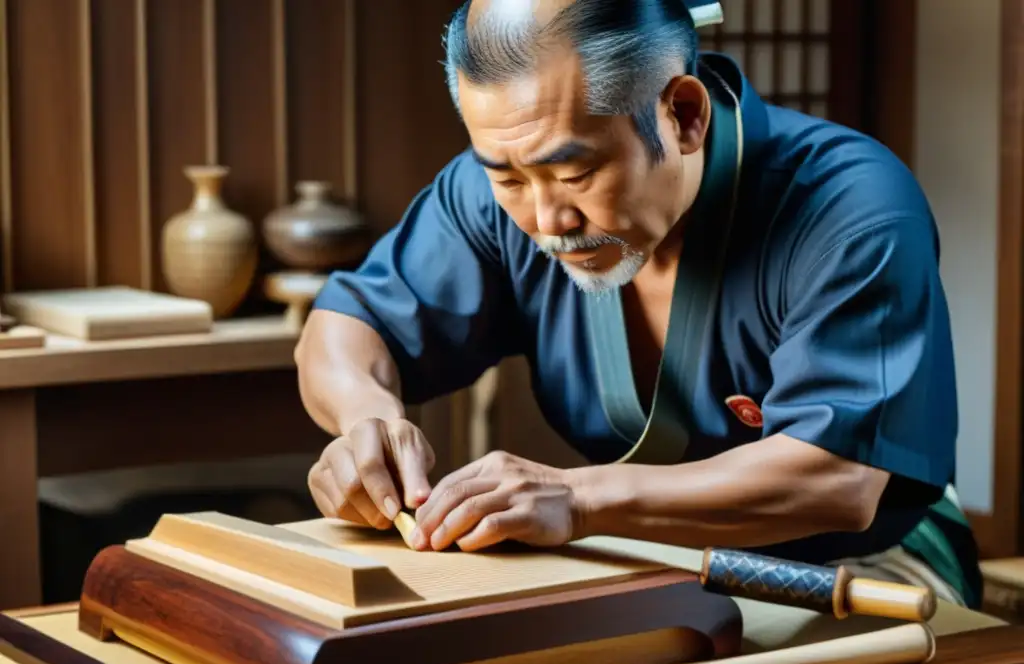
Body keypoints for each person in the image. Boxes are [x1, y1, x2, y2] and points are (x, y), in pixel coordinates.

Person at [295, 0, 982, 613]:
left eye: (577, 173)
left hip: (858, 565)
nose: (545, 219)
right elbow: (347, 325)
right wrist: (367, 420)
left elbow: (838, 479)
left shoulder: (849, 205)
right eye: (506, 176)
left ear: (682, 114)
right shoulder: (496, 199)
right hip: (642, 555)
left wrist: (581, 498)